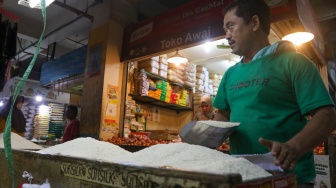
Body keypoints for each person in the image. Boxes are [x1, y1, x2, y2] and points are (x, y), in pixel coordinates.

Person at [212, 0, 336, 187]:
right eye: (225, 28)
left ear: (254, 23)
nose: (226, 35)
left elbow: (326, 116)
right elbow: (223, 114)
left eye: (230, 26)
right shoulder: (230, 73)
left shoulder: (294, 62)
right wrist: (204, 135)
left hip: (290, 179)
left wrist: (294, 147)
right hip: (243, 177)